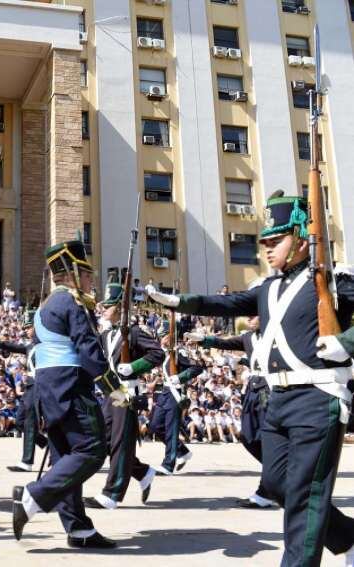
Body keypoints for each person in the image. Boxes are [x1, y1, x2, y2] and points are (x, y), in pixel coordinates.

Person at [146, 192, 354, 566]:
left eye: (277, 241)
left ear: (302, 238)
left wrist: (345, 343)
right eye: (266, 243)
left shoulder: (335, 279)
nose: (267, 250)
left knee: (304, 498)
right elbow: (227, 303)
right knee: (276, 485)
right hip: (277, 401)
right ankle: (349, 537)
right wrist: (179, 302)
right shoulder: (268, 287)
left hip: (316, 398)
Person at [11, 239, 114, 549]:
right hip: (71, 386)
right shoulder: (72, 303)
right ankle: (34, 496)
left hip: (49, 389)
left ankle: (78, 528)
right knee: (92, 449)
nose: (91, 280)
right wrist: (115, 389)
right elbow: (89, 350)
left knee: (64, 458)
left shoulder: (45, 306)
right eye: (87, 274)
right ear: (73, 272)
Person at [84, 279, 163, 510]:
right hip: (111, 393)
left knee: (120, 441)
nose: (103, 310)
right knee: (104, 440)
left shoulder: (135, 333)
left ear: (119, 309)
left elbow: (157, 354)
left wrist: (134, 367)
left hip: (127, 393)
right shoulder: (106, 336)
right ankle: (142, 471)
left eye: (107, 306)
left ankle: (112, 494)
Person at [185, 314, 275, 509]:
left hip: (270, 390)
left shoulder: (276, 334)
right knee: (248, 437)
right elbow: (227, 343)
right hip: (253, 390)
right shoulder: (248, 337)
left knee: (270, 441)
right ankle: (279, 473)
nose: (250, 318)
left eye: (255, 314)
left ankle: (267, 491)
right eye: (249, 315)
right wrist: (204, 339)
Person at [0, 310, 44, 472]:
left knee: (30, 422)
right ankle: (44, 443)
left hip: (39, 386)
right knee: (19, 421)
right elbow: (12, 346)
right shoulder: (30, 345)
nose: (26, 330)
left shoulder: (45, 345)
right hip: (30, 387)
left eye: (29, 327)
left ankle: (26, 462)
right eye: (25, 327)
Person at [148, 333, 203, 475]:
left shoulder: (179, 353)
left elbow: (197, 368)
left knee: (171, 429)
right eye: (162, 337)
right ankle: (182, 451)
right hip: (165, 393)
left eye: (166, 336)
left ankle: (168, 465)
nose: (163, 339)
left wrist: (180, 377)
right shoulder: (163, 354)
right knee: (154, 425)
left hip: (175, 394)